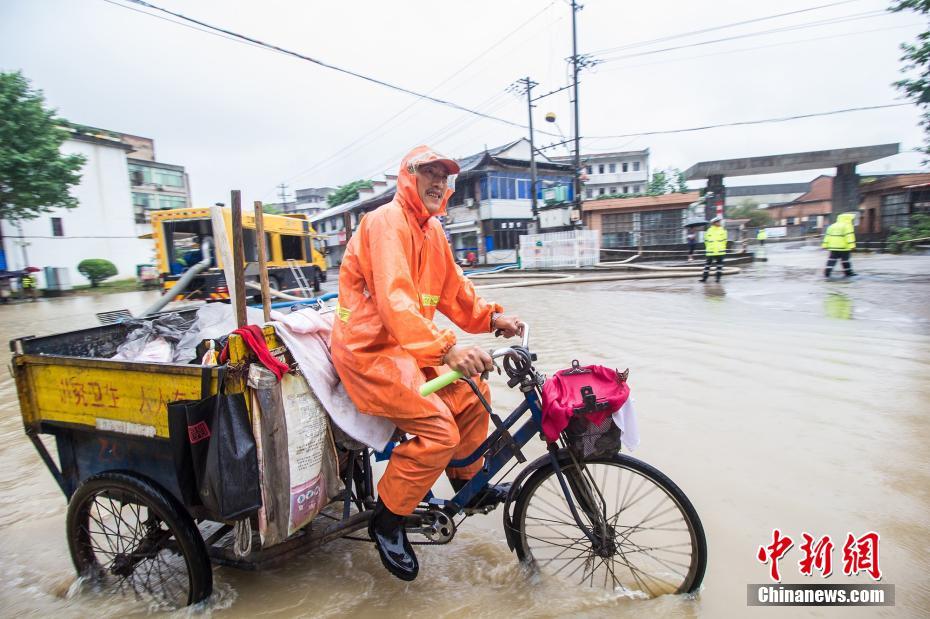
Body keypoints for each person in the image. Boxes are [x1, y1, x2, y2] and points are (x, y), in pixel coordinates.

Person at [330, 145, 523, 582]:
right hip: (370, 352)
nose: (438, 182)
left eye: (444, 176)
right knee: (438, 429)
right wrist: (445, 349)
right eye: (428, 173)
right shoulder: (385, 224)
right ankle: (388, 519)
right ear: (408, 178)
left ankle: (466, 483)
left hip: (409, 346)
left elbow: (455, 289)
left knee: (473, 392)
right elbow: (396, 302)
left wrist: (492, 317)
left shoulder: (432, 230)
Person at [822, 212, 857, 278]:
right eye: (851, 219)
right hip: (844, 248)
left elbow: (827, 236)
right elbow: (849, 237)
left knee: (831, 260)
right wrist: (852, 246)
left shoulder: (832, 226)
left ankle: (827, 273)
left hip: (833, 248)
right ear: (848, 219)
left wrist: (824, 245)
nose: (852, 221)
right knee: (845, 261)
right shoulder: (848, 226)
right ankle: (848, 273)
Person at [700, 216, 728, 283]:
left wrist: (721, 247)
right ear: (714, 223)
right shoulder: (709, 231)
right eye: (718, 222)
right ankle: (704, 278)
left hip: (720, 251)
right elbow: (706, 241)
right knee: (707, 266)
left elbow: (725, 241)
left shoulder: (723, 231)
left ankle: (718, 279)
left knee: (719, 266)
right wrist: (709, 248)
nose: (719, 223)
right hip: (710, 251)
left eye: (719, 221)